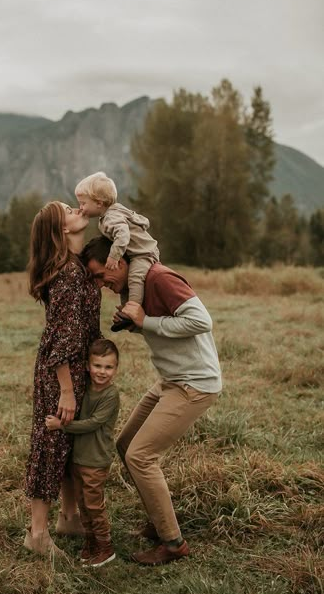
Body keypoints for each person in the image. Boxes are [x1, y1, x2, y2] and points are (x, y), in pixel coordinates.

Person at [81, 236, 222, 566]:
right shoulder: (135, 287)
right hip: (170, 381)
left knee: (141, 456)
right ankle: (161, 520)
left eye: (103, 276)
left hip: (194, 384)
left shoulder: (159, 278)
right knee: (126, 444)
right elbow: (160, 325)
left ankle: (173, 543)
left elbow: (202, 322)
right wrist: (132, 324)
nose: (103, 285)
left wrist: (146, 321)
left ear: (118, 261)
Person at [24, 202, 101, 556]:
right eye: (69, 209)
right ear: (63, 229)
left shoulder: (76, 265)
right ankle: (36, 534)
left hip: (76, 367)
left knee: (70, 444)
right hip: (61, 373)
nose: (77, 208)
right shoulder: (68, 274)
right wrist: (67, 391)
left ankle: (69, 517)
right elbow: (62, 340)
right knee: (50, 445)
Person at [45, 339, 120, 567]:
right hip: (79, 459)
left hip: (96, 460)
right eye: (97, 366)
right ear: (88, 366)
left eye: (108, 367)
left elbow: (93, 423)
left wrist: (62, 425)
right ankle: (91, 541)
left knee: (95, 505)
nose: (102, 372)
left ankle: (105, 546)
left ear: (116, 369)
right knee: (83, 503)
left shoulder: (110, 395)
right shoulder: (84, 388)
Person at [75, 171, 159, 330]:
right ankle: (126, 314)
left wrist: (114, 256)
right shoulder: (112, 214)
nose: (81, 208)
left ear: (98, 203)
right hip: (136, 254)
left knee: (134, 278)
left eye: (83, 203)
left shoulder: (111, 217)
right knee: (123, 285)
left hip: (144, 253)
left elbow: (123, 235)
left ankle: (132, 310)